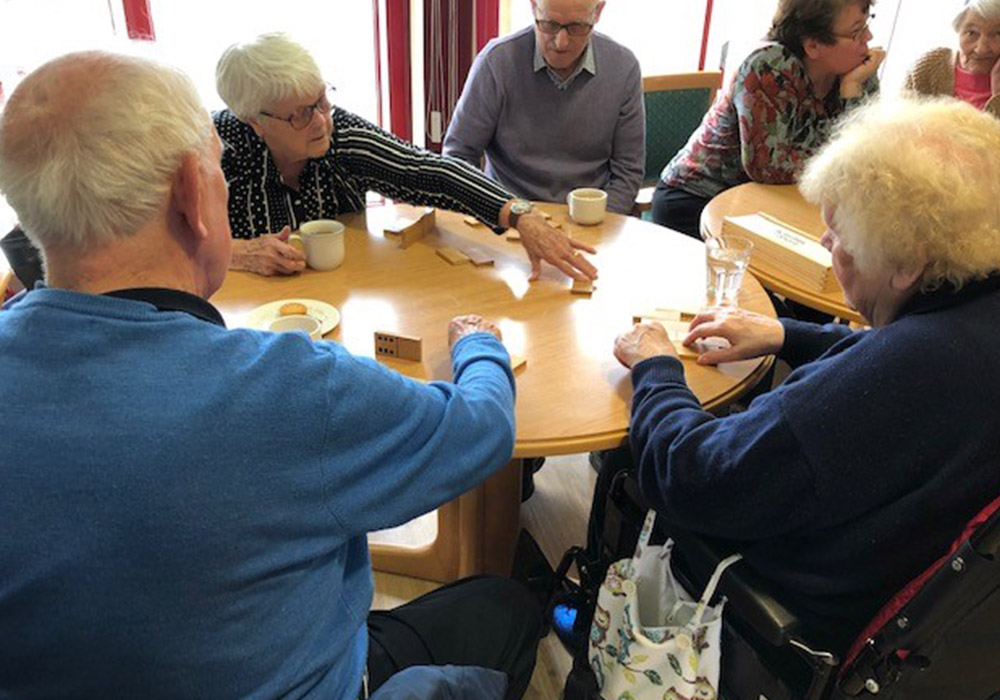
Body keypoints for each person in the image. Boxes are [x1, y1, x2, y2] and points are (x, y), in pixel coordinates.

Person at [0, 51, 541, 699]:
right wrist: (479, 347)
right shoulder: (285, 387)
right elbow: (479, 430)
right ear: (193, 194)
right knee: (508, 610)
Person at [613, 96, 1000, 654]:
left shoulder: (898, 377)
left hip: (790, 611)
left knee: (626, 459)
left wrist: (657, 369)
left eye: (840, 234)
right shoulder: (969, 318)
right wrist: (788, 335)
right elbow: (890, 353)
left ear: (908, 263)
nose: (826, 243)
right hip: (918, 600)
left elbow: (692, 474)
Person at [215, 33, 595, 282]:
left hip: (335, 303)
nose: (320, 122)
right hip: (245, 320)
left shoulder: (340, 134)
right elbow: (156, 239)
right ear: (255, 122)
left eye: (321, 100)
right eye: (300, 113)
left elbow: (428, 172)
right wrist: (237, 251)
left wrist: (520, 214)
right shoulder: (212, 151)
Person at [651, 0, 884, 239]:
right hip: (698, 200)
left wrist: (852, 89)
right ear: (813, 45)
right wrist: (840, 153)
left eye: (867, 23)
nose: (869, 37)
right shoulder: (768, 67)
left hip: (774, 206)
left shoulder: (857, 72)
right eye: (856, 32)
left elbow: (866, 153)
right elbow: (768, 169)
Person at [443, 0, 644, 216]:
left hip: (590, 221)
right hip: (508, 219)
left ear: (598, 12)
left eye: (576, 27)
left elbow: (628, 171)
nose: (561, 42)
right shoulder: (496, 62)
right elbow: (458, 157)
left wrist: (601, 222)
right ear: (533, 7)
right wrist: (502, 213)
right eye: (549, 25)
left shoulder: (623, 67)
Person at [903, 0, 1000, 117]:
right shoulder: (930, 66)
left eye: (998, 34)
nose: (981, 49)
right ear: (958, 30)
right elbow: (898, 125)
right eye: (972, 33)